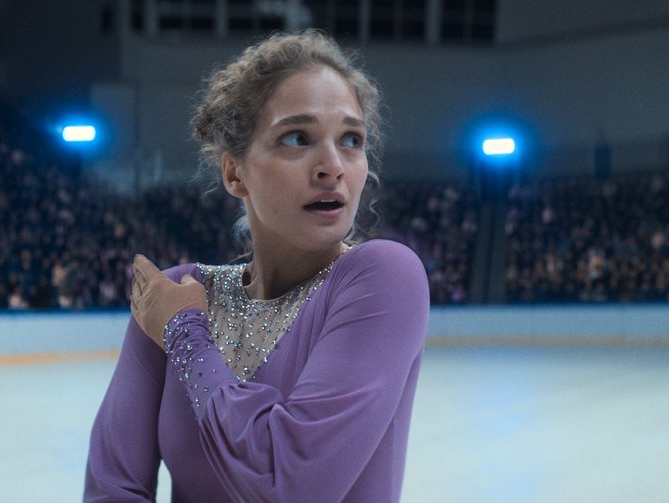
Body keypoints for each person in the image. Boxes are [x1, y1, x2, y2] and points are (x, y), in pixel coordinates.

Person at [85, 30, 429, 502]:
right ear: (235, 173)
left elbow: (290, 484)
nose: (333, 166)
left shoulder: (385, 276)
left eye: (352, 140)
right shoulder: (175, 291)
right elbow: (111, 488)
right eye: (297, 138)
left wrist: (186, 334)